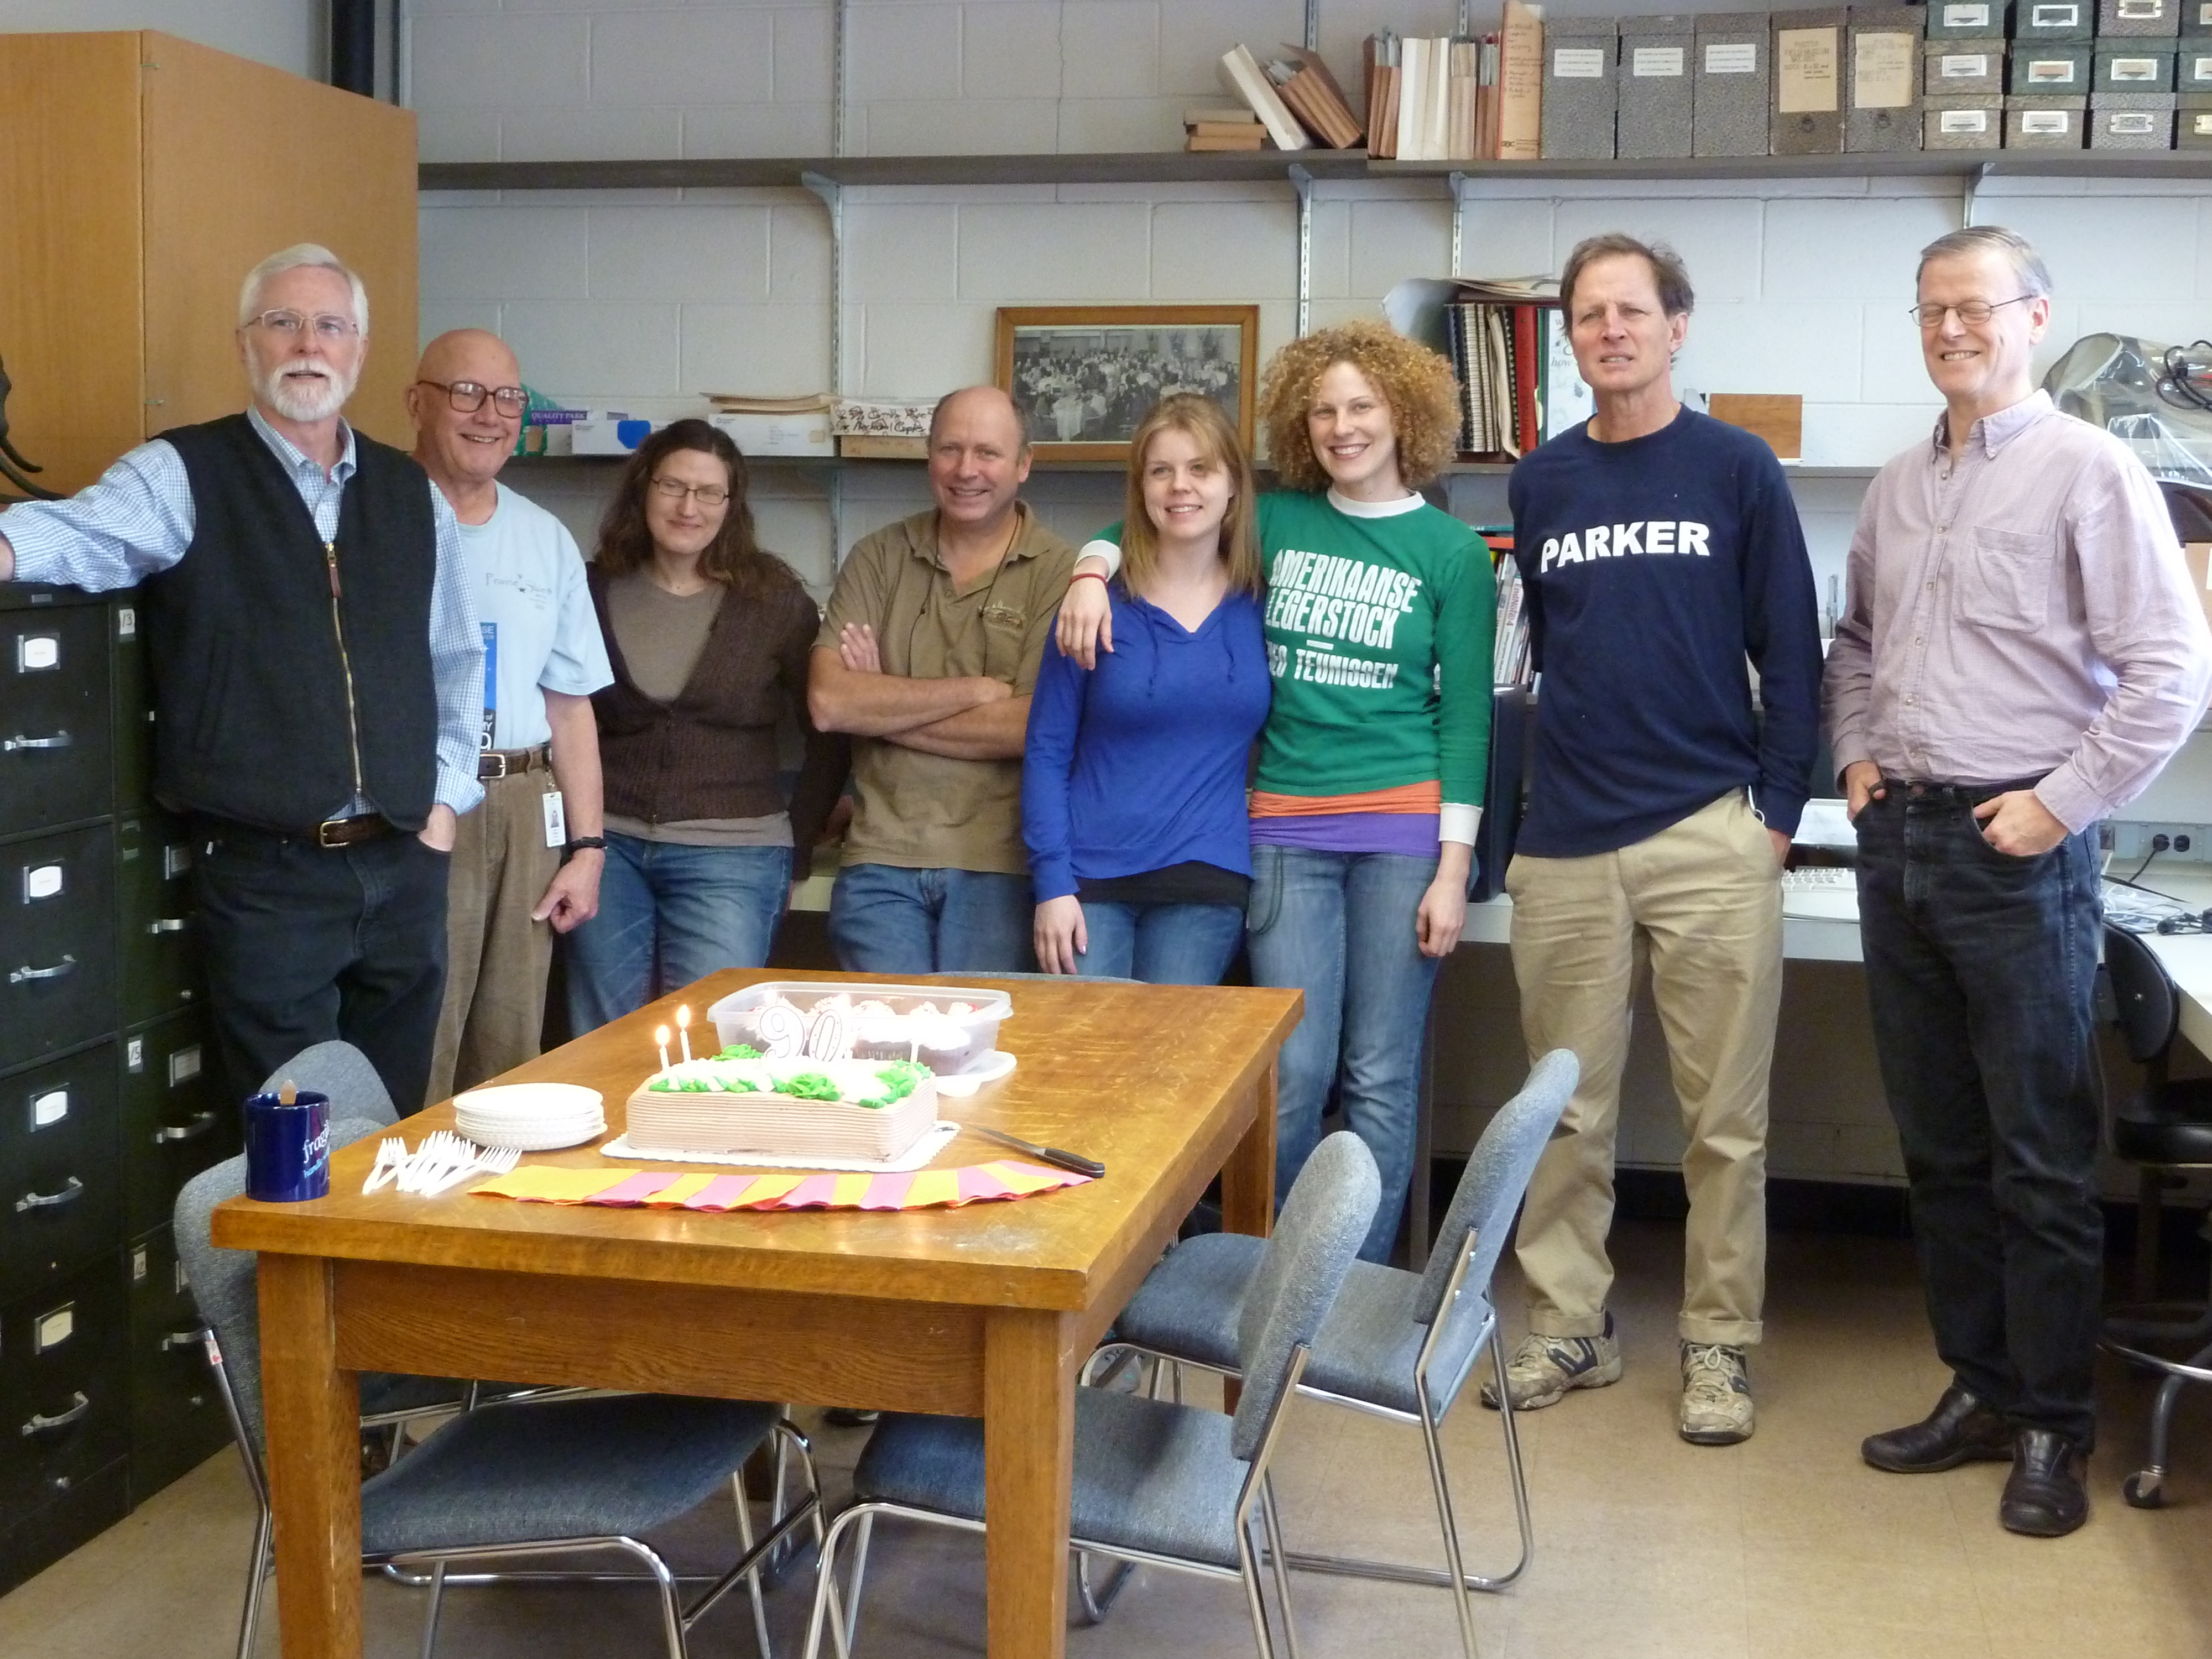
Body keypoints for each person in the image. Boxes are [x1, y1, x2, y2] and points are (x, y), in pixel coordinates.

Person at [1827, 226, 2212, 1536]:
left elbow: (2173, 673)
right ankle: (1981, 1387)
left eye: (1975, 307)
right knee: (1939, 1149)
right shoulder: (1893, 486)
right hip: (1904, 848)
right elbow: (1856, 645)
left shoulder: (2090, 470)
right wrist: (1855, 755)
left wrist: (2056, 805)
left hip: (2017, 854)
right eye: (1931, 308)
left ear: (2033, 315)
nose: (1950, 329)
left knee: (2039, 1156)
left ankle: (2053, 1422)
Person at [0, 244, 480, 1114]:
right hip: (270, 877)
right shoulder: (183, 473)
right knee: (293, 1136)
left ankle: (370, 1259)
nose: (308, 343)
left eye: (330, 326)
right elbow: (85, 534)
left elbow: (455, 661)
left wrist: (445, 805)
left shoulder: (413, 494)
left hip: (406, 863)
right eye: (282, 322)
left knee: (394, 1123)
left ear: (359, 351)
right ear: (245, 345)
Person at [1481, 237, 1820, 1448]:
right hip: (1566, 838)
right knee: (1563, 1112)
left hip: (1705, 832)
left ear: (1677, 326)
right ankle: (1569, 1325)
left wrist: (1771, 819)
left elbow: (1792, 648)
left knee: (1721, 1122)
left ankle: (1718, 1350)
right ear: (1567, 340)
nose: (1608, 331)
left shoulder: (1734, 468)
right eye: (1587, 315)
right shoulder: (1542, 481)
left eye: (1631, 311)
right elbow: (1539, 662)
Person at [1056, 320, 1492, 1263]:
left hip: (1402, 834)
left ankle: (1343, 1286)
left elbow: (1466, 722)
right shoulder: (1279, 518)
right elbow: (1148, 516)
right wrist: (1089, 572)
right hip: (1283, 829)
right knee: (1291, 1068)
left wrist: (1454, 869)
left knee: (1379, 1074)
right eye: (1324, 409)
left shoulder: (1453, 552)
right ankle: (1267, 1271)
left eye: (1362, 406)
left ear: (1403, 413)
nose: (1342, 426)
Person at [564, 420, 845, 1031]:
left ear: (730, 504)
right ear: (643, 490)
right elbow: (559, 715)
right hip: (607, 852)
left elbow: (827, 730)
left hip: (734, 856)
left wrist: (799, 842)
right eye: (672, 486)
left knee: (713, 1042)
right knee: (597, 1040)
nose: (688, 507)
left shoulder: (774, 602)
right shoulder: (587, 590)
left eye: (708, 492)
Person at [808, 386, 1076, 973]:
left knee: (980, 1055)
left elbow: (1031, 727)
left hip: (1001, 867)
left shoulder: (1062, 572)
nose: (966, 470)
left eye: (988, 453)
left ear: (1023, 465)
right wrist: (973, 692)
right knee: (884, 1056)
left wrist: (883, 703)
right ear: (929, 457)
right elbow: (830, 703)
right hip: (879, 862)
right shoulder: (877, 558)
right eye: (949, 450)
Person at [412, 330, 613, 1105]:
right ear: (416, 403)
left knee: (510, 1041)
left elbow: (570, 707)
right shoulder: (379, 520)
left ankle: (487, 1213)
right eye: (465, 393)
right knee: (425, 1029)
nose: (488, 415)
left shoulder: (545, 538)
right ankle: (402, 1211)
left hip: (529, 804)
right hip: (425, 803)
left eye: (507, 398)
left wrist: (588, 848)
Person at [1022, 394, 1269, 984]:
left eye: (1199, 469)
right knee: (1090, 1066)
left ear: (1233, 484)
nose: (1179, 487)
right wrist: (1052, 884)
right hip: (1090, 881)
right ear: (1141, 489)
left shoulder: (1261, 603)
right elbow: (1046, 751)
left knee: (1173, 1068)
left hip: (1206, 878)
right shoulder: (1094, 605)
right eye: (1161, 471)